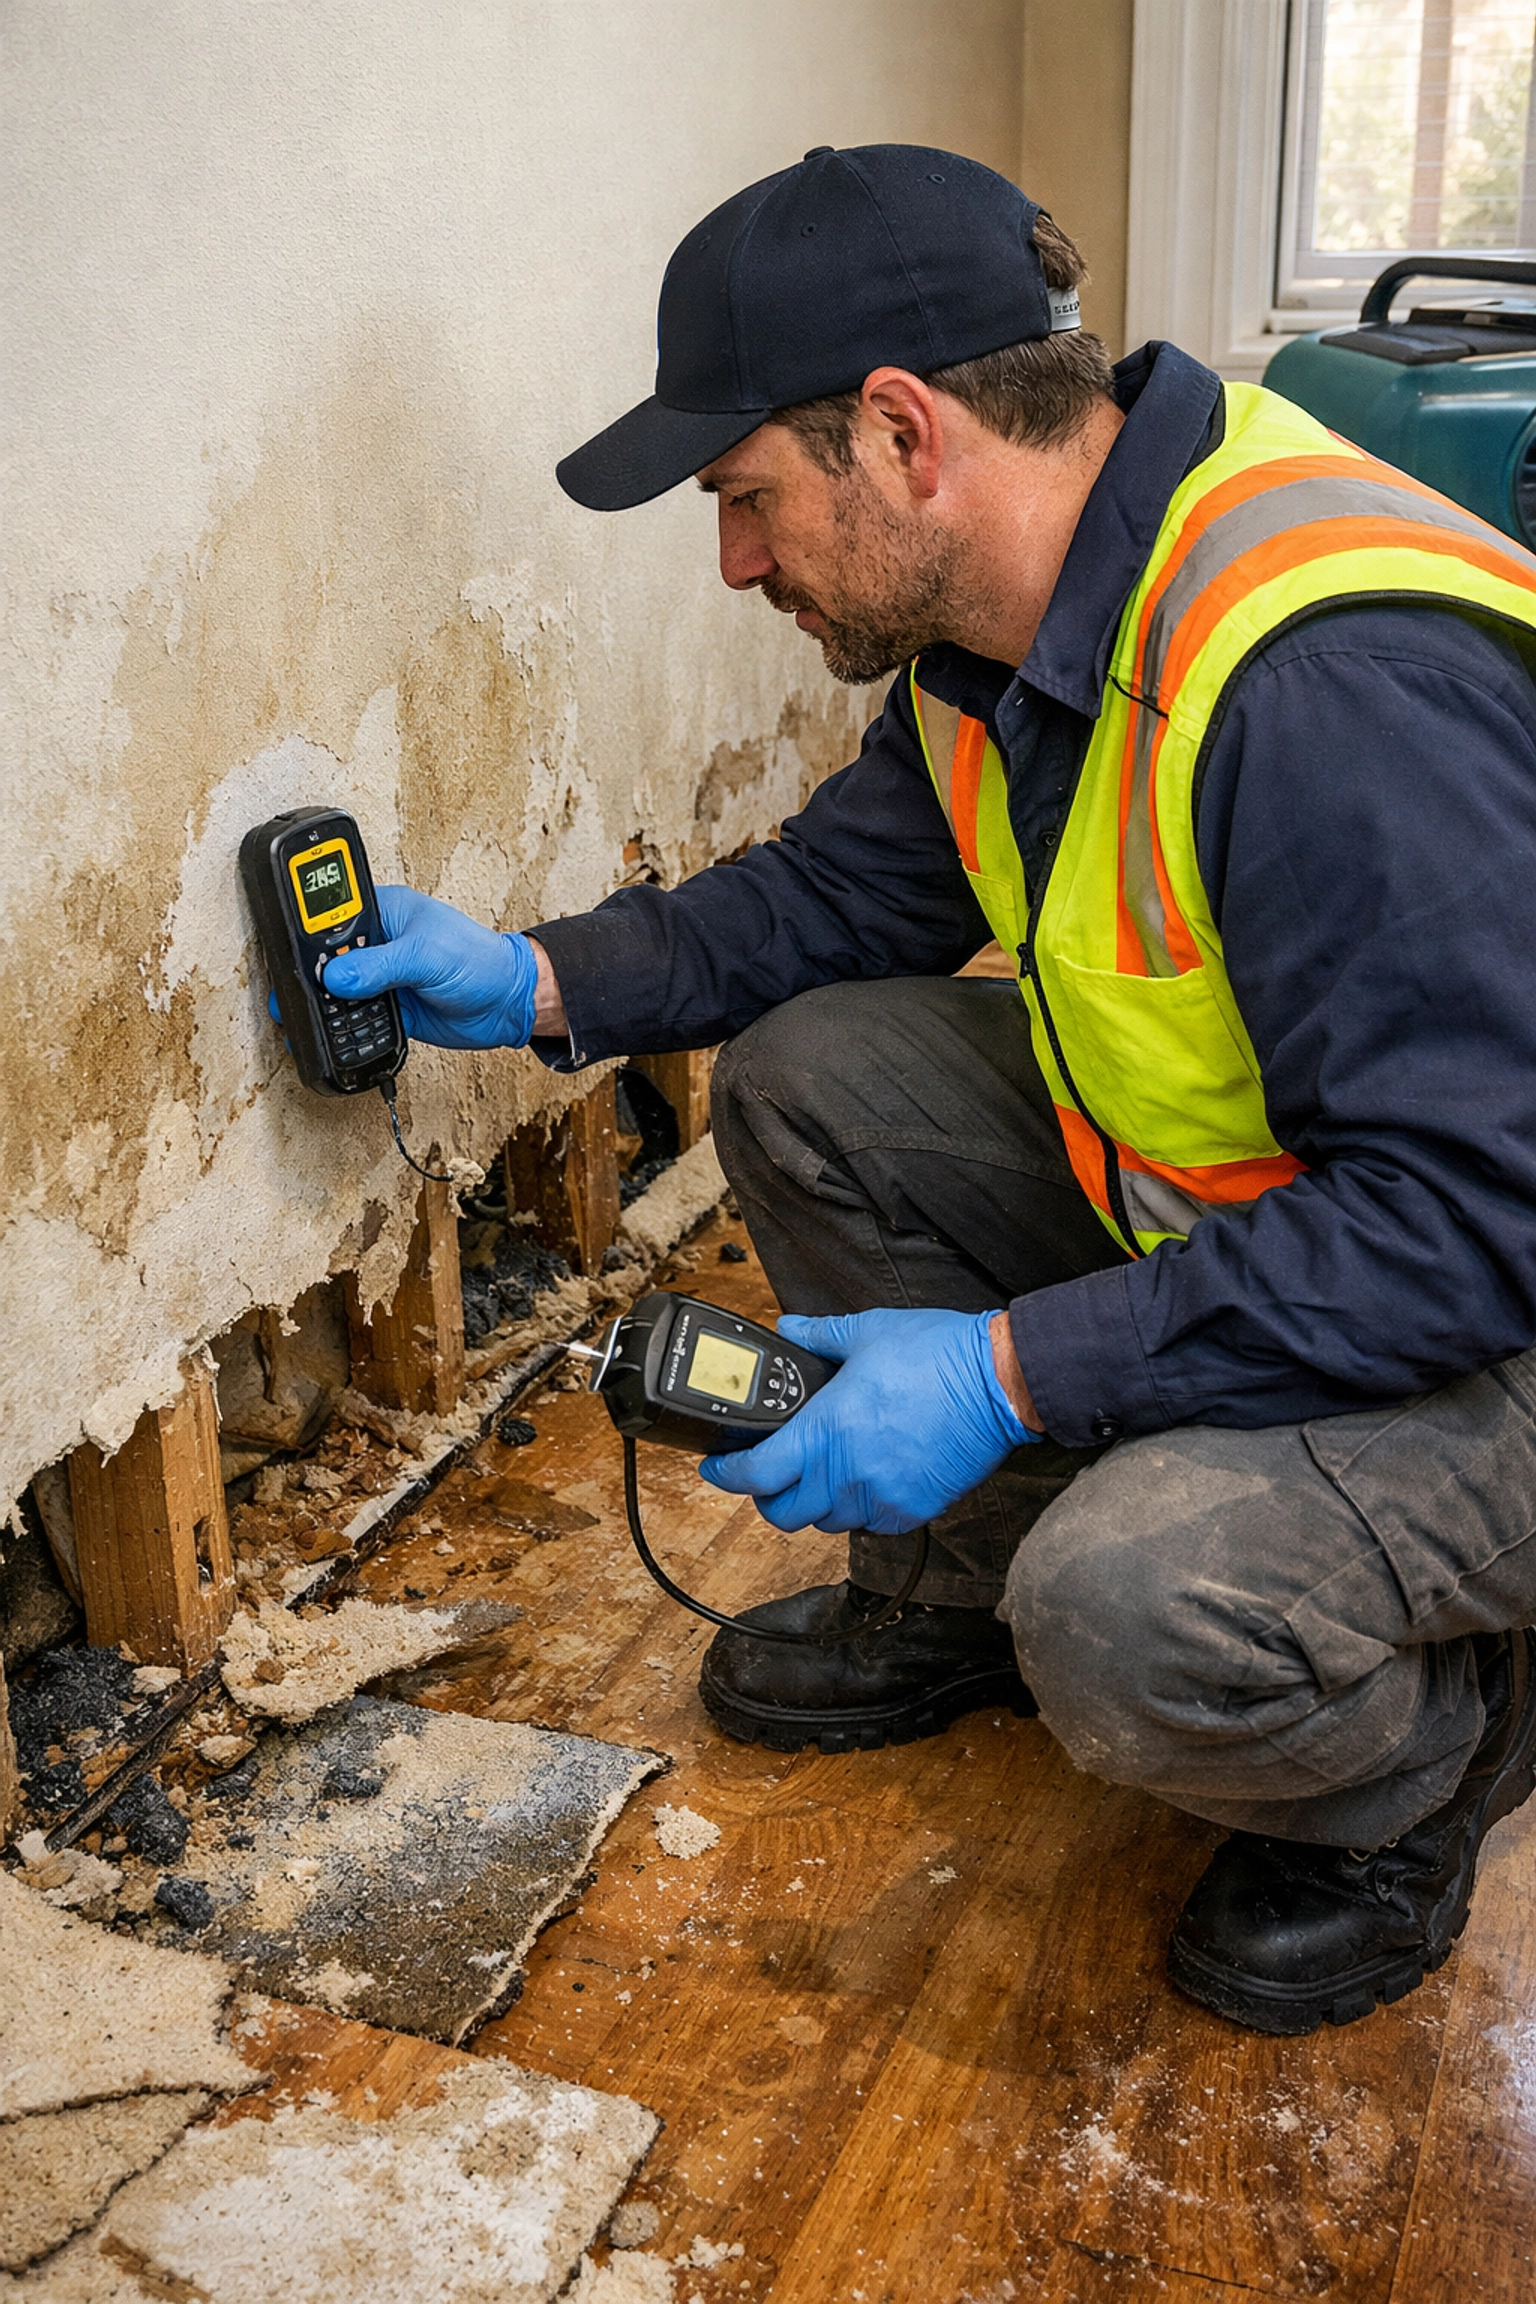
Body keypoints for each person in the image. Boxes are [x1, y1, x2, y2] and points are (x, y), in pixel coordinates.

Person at [319, 146, 1536, 2037]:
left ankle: (1432, 1755)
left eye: (746, 500)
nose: (736, 565)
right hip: (1318, 1215)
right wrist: (538, 977)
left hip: (1499, 1299)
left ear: (901, 431)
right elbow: (839, 894)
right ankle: (957, 1593)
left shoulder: (1326, 685)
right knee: (812, 1079)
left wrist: (1006, 1372)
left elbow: (1468, 1223)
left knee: (1130, 1610)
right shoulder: (1014, 629)